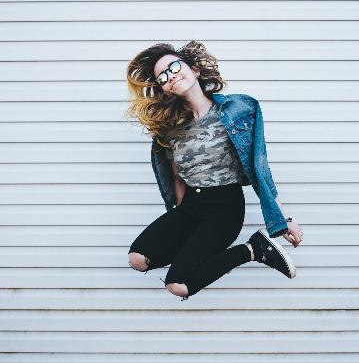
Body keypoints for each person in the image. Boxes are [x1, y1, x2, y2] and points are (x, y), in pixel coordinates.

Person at [124, 40, 303, 301]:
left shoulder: (239, 110)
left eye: (174, 66)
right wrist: (178, 217)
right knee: (138, 258)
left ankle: (253, 249)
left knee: (178, 285)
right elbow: (175, 177)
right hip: (191, 207)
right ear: (164, 90)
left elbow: (260, 167)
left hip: (225, 208)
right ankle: (198, 249)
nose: (170, 76)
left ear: (194, 70)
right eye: (163, 77)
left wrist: (282, 220)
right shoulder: (169, 129)